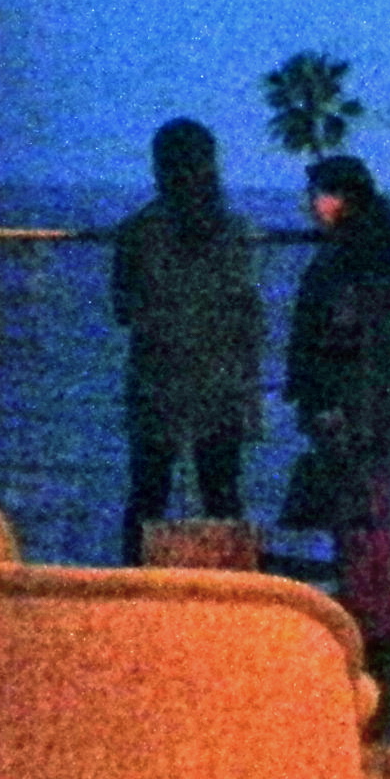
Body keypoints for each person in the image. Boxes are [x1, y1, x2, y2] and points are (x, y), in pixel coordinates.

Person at [284, 153, 390, 645]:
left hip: (353, 408)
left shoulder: (340, 263)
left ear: (340, 199)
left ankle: (364, 618)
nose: (313, 203)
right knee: (375, 513)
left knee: (356, 516)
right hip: (386, 406)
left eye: (320, 194)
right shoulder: (380, 256)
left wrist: (321, 399)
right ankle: (378, 615)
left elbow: (335, 340)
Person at [110, 116, 264, 553]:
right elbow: (247, 311)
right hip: (221, 379)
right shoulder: (235, 232)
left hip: (158, 377)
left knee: (148, 493)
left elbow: (122, 309)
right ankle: (229, 586)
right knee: (222, 493)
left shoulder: (137, 232)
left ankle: (138, 583)